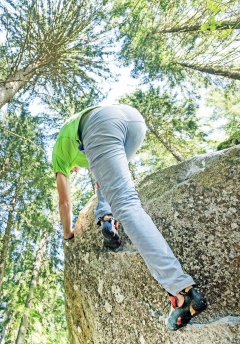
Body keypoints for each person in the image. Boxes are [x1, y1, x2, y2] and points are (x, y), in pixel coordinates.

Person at [52, 104, 207, 330]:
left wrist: (67, 234)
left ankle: (182, 290)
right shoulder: (78, 142)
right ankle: (106, 218)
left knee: (125, 203)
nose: (75, 171)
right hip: (132, 122)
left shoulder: (59, 155)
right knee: (105, 182)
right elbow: (103, 178)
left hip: (98, 125)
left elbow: (64, 201)